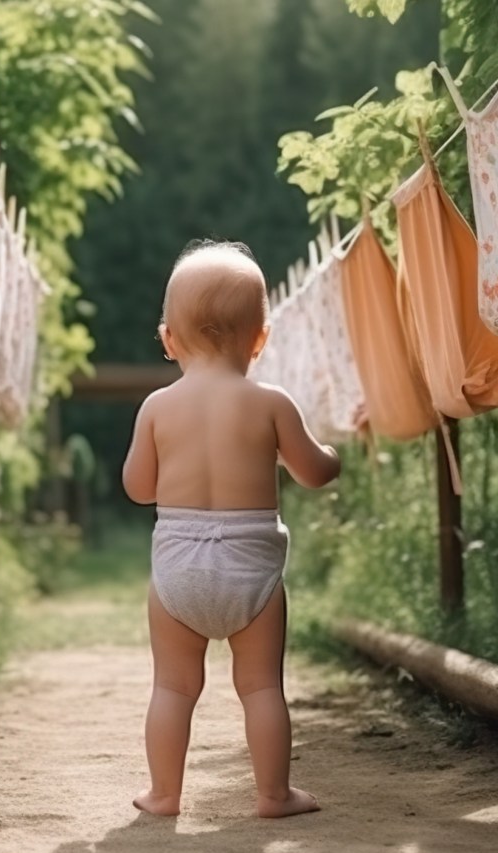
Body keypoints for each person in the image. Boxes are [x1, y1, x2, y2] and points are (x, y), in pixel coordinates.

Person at [122, 240, 341, 818]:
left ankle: (164, 794)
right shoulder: (271, 403)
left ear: (169, 338)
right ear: (260, 337)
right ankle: (274, 794)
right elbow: (314, 472)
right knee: (262, 688)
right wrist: (333, 455)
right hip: (253, 570)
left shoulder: (156, 407)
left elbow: (139, 489)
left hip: (178, 571)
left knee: (172, 688)